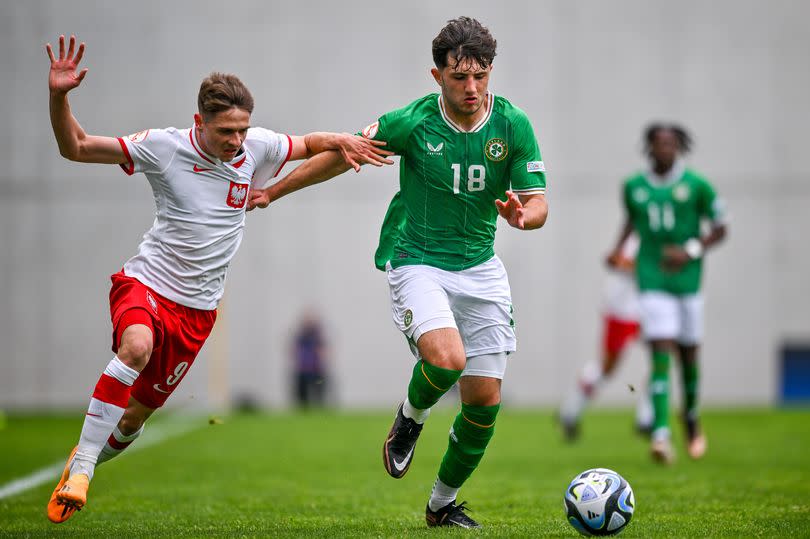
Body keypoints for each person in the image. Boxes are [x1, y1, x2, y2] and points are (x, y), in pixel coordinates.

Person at [43, 34, 392, 524]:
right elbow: (75, 147)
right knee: (136, 348)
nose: (236, 142)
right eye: (225, 131)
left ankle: (82, 464)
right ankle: (82, 467)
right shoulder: (163, 147)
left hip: (198, 312)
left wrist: (336, 140)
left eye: (242, 130)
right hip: (146, 285)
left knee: (132, 421)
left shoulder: (255, 148)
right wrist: (60, 96)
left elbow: (307, 144)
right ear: (198, 123)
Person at [249, 17, 548, 529]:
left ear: (490, 72)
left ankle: (440, 505)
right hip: (419, 261)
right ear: (437, 76)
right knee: (447, 360)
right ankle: (409, 421)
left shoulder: (512, 125)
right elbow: (345, 155)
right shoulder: (413, 122)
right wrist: (273, 191)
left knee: (484, 404)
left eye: (480, 76)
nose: (471, 88)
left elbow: (538, 202)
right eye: (459, 78)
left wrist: (524, 216)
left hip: (481, 268)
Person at [607, 123, 727, 464]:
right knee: (660, 350)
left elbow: (721, 227)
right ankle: (660, 433)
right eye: (659, 143)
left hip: (688, 281)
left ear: (680, 147)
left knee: (688, 356)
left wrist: (690, 250)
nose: (665, 149)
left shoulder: (697, 185)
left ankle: (690, 418)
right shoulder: (634, 186)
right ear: (649, 147)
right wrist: (618, 251)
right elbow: (631, 220)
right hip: (652, 278)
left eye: (671, 143)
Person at [558, 233, 653, 441]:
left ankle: (647, 419)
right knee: (607, 367)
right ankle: (570, 410)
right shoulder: (639, 235)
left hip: (646, 306)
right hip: (623, 308)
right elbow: (618, 260)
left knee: (661, 355)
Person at [291, 310, 329, 408]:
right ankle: (304, 410)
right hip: (303, 369)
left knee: (319, 391)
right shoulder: (300, 336)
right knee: (302, 396)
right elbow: (294, 350)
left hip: (316, 370)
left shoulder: (317, 335)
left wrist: (321, 356)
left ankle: (319, 409)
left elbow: (323, 350)